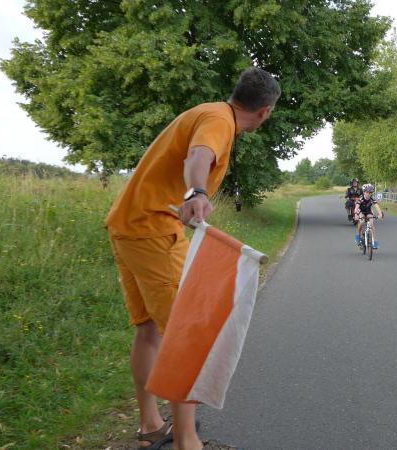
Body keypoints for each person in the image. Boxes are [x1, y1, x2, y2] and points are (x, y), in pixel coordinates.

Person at [105, 67, 281, 450]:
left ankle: (151, 426)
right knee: (186, 332)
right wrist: (197, 192)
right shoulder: (219, 121)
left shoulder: (208, 111)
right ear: (264, 111)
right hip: (153, 231)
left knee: (149, 330)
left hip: (128, 225)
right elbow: (199, 156)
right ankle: (187, 441)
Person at [354, 183, 384, 249]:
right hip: (361, 211)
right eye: (367, 192)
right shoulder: (361, 199)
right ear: (364, 192)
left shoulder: (372, 199)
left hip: (368, 211)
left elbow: (377, 207)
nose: (368, 194)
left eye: (370, 192)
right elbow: (356, 208)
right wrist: (356, 214)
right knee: (362, 222)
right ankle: (358, 235)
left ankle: (374, 241)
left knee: (371, 223)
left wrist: (380, 214)